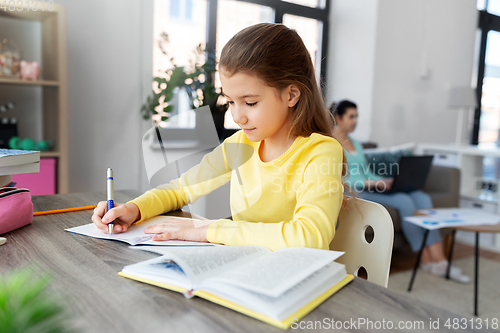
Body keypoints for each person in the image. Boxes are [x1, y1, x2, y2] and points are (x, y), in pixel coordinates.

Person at [91, 23, 347, 251]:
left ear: (291, 95)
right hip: (245, 268)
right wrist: (133, 209)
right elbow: (180, 190)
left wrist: (210, 231)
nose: (238, 116)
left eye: (250, 102)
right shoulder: (240, 145)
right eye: (230, 102)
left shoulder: (320, 151)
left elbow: (309, 236)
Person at [331, 100, 470, 283]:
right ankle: (426, 258)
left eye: (357, 116)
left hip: (371, 185)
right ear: (338, 118)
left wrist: (384, 180)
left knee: (421, 197)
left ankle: (440, 259)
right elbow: (341, 177)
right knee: (405, 202)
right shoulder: (331, 143)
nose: (355, 120)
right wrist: (371, 183)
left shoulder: (355, 143)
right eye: (351, 116)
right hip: (355, 191)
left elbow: (366, 171)